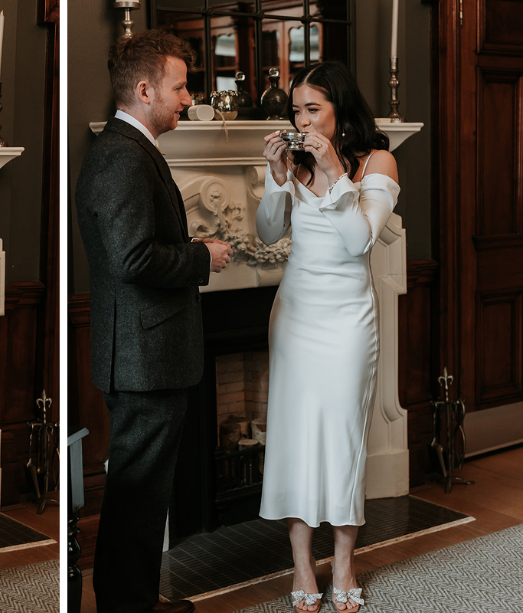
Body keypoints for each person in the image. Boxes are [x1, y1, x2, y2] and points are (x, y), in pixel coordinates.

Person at [75, 30, 233, 613]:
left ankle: (132, 601)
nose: (188, 98)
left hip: (146, 351)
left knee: (139, 493)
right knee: (137, 494)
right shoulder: (121, 156)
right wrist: (202, 257)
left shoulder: (129, 150)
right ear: (145, 90)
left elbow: (136, 245)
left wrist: (187, 244)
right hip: (144, 356)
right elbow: (131, 259)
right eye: (180, 86)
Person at [256, 61, 399, 613]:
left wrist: (335, 169)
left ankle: (342, 561)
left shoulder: (375, 163)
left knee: (342, 442)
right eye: (296, 110)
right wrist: (274, 178)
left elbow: (358, 240)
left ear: (340, 109)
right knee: (292, 439)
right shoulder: (292, 163)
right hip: (294, 316)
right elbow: (269, 233)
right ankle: (300, 565)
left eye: (313, 109)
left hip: (346, 324)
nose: (302, 120)